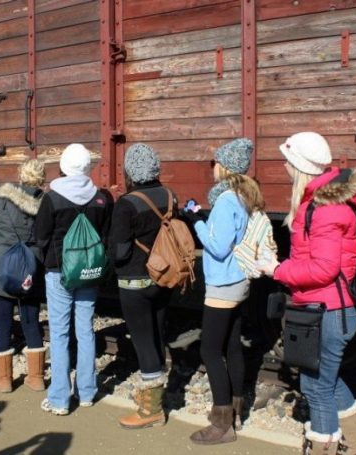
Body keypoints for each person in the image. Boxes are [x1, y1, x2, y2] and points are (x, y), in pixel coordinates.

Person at [259, 131, 356, 455]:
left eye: (287, 160)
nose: (284, 166)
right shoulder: (323, 200)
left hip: (328, 311)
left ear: (300, 166)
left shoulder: (324, 208)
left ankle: (325, 447)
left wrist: (277, 270)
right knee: (327, 380)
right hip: (328, 307)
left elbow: (324, 268)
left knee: (316, 386)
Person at [182, 138, 263, 445]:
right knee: (232, 346)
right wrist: (206, 218)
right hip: (239, 281)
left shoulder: (227, 200)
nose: (212, 168)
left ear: (225, 167)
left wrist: (195, 222)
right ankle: (237, 409)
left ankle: (222, 424)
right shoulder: (244, 196)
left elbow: (216, 247)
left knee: (210, 349)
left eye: (215, 162)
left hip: (224, 284)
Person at [34, 143, 112, 415]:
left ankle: (59, 399)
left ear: (64, 167)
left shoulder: (52, 198)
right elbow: (105, 236)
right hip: (89, 273)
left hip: (59, 274)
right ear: (87, 167)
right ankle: (88, 392)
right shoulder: (101, 198)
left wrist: (50, 262)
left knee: (59, 333)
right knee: (85, 330)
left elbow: (41, 236)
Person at [108, 143, 178, 429]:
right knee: (157, 335)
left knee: (143, 341)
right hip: (164, 276)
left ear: (131, 171)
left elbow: (121, 251)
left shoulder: (127, 203)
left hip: (135, 281)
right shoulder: (169, 195)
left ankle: (152, 410)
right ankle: (155, 395)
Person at [0, 159, 47, 393]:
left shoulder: (1, 200)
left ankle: (4, 380)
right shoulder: (45, 203)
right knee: (30, 322)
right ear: (41, 179)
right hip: (31, 270)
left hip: (2, 271)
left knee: (2, 324)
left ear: (21, 176)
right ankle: (36, 378)